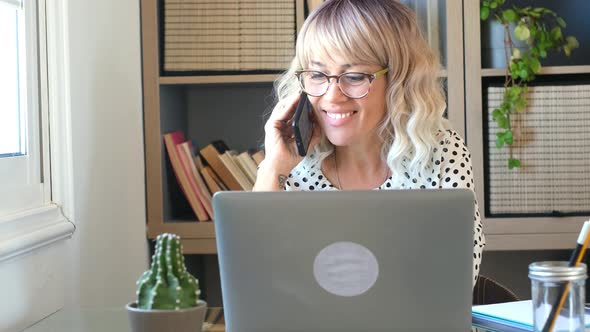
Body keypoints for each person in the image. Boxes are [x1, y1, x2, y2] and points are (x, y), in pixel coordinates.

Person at [253, 0, 484, 287]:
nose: (332, 96)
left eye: (353, 77)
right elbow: (257, 280)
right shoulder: (292, 167)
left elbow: (455, 283)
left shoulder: (441, 154)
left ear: (400, 80)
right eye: (316, 74)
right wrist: (272, 168)